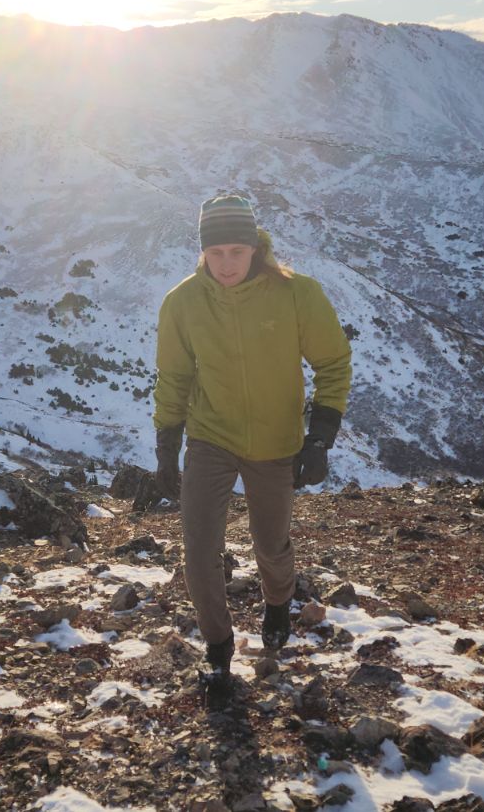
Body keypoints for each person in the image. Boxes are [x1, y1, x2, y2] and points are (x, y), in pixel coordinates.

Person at [151, 193, 352, 706]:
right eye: (216, 253)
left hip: (275, 442)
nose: (226, 264)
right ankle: (218, 646)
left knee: (270, 544)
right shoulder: (183, 302)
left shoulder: (296, 294)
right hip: (209, 437)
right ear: (202, 252)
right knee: (199, 550)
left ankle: (279, 604)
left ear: (256, 247)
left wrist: (320, 437)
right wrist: (166, 445)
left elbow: (333, 363)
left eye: (236, 251)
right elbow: (173, 377)